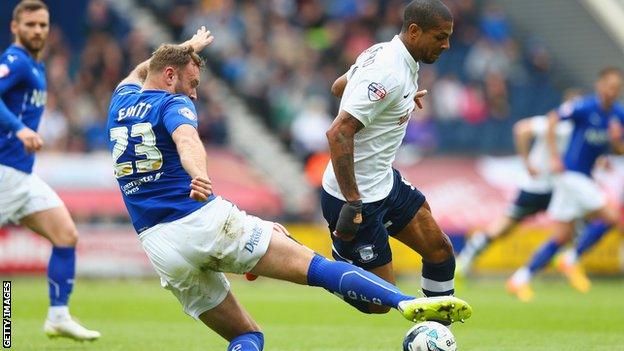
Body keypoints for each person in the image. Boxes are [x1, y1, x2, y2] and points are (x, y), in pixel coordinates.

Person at [106, 27, 471, 350]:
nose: (194, 94)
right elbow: (187, 140)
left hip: (159, 246)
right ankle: (403, 301)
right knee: (315, 266)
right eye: (192, 83)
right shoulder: (173, 103)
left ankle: (259, 258)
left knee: (246, 337)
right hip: (201, 222)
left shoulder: (120, 101)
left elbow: (144, 69)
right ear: (170, 76)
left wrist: (187, 48)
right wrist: (198, 173)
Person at [321, 0, 463, 314]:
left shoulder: (385, 54)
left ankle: (436, 335)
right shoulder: (389, 71)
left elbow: (337, 87)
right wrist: (353, 202)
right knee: (379, 305)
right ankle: (330, 268)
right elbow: (338, 133)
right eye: (440, 36)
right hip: (353, 198)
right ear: (414, 31)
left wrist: (399, 100)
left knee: (440, 252)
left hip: (384, 183)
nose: (446, 44)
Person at [0, 0, 100, 341]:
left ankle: (58, 316)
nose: (37, 30)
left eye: (42, 25)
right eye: (30, 25)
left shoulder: (35, 66)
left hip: (22, 176)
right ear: (15, 27)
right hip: (3, 173)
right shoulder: (15, 61)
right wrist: (20, 129)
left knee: (66, 235)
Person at [456, 90, 612, 293]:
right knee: (587, 221)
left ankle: (473, 262)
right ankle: (565, 261)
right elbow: (522, 129)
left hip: (557, 186)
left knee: (576, 224)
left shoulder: (580, 128)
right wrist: (527, 162)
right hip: (541, 186)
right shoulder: (560, 124)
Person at [506, 68, 624, 302]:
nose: (612, 90)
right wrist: (554, 157)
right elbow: (552, 118)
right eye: (609, 85)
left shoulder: (618, 114)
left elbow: (619, 149)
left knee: (560, 236)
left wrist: (616, 140)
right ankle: (572, 259)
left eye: (617, 87)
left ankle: (519, 279)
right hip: (571, 175)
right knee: (613, 218)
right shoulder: (585, 107)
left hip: (582, 179)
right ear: (600, 85)